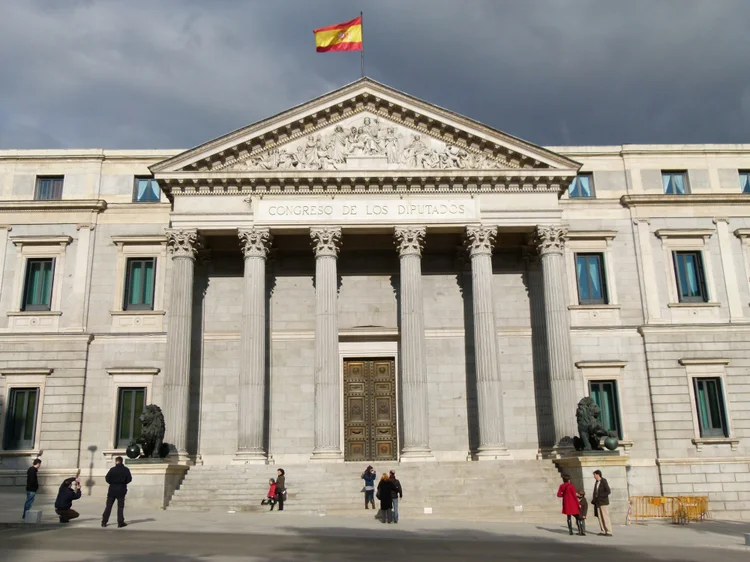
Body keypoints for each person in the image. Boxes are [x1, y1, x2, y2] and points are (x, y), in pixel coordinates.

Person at [101, 456, 132, 528]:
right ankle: (120, 522)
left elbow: (107, 478)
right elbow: (129, 479)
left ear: (116, 461)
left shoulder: (112, 470)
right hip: (121, 489)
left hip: (112, 489)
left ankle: (104, 522)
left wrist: (112, 482)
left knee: (108, 506)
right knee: (120, 507)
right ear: (122, 461)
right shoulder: (126, 470)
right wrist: (123, 482)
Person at [592, 469, 613, 536]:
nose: (594, 476)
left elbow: (608, 491)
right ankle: (603, 530)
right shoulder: (596, 482)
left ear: (598, 474)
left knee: (605, 516)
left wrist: (600, 496)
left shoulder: (603, 481)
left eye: (594, 475)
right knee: (600, 517)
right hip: (598, 502)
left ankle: (609, 531)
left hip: (603, 502)